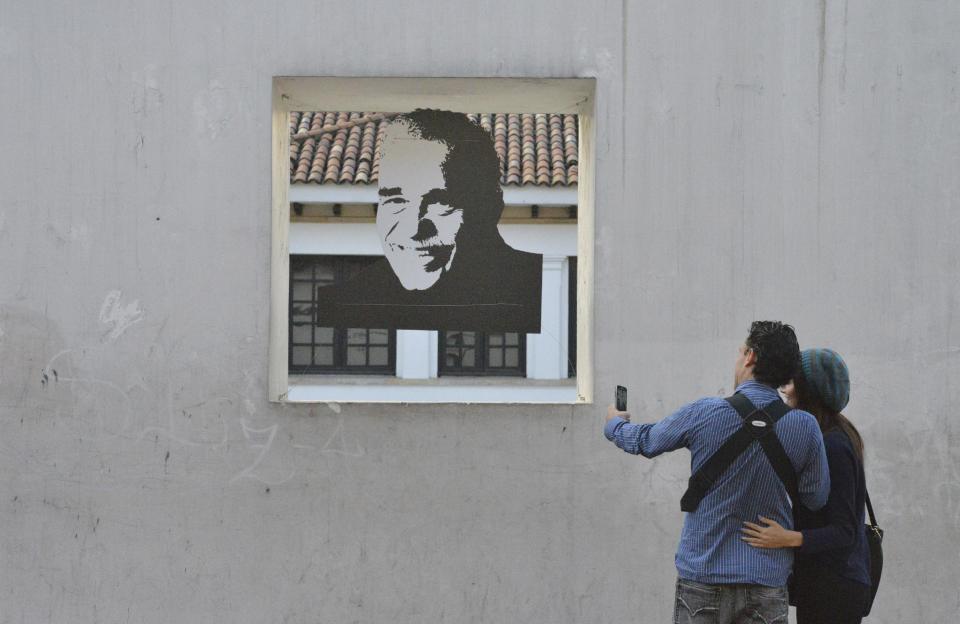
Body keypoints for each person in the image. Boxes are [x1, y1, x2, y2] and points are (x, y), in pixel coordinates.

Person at [603, 321, 830, 624]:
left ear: (750, 357)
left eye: (740, 352)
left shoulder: (704, 412)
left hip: (703, 578)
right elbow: (816, 498)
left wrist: (614, 424)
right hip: (765, 582)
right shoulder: (805, 427)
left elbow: (646, 440)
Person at [313, 109, 543, 333]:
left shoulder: (529, 288)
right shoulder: (347, 300)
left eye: (440, 203)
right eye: (395, 200)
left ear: (490, 207)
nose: (413, 229)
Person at [740, 348, 871, 623]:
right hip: (827, 584)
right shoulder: (828, 435)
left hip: (835, 587)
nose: (786, 389)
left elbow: (844, 530)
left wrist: (787, 538)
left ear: (808, 389)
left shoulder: (833, 444)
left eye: (792, 381)